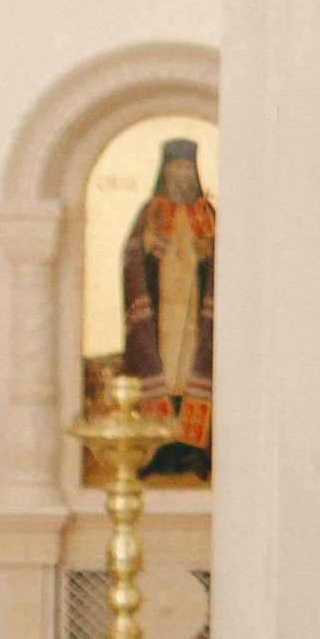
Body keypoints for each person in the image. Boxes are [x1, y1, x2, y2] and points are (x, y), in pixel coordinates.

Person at [120, 136, 216, 476]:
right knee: (163, 376)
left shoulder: (208, 215)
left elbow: (228, 267)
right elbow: (131, 258)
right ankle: (158, 451)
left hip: (197, 320)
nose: (182, 175)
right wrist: (147, 249)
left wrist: (212, 254)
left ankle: (194, 451)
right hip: (160, 318)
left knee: (192, 379)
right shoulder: (152, 214)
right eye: (176, 168)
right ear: (165, 170)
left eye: (187, 168)